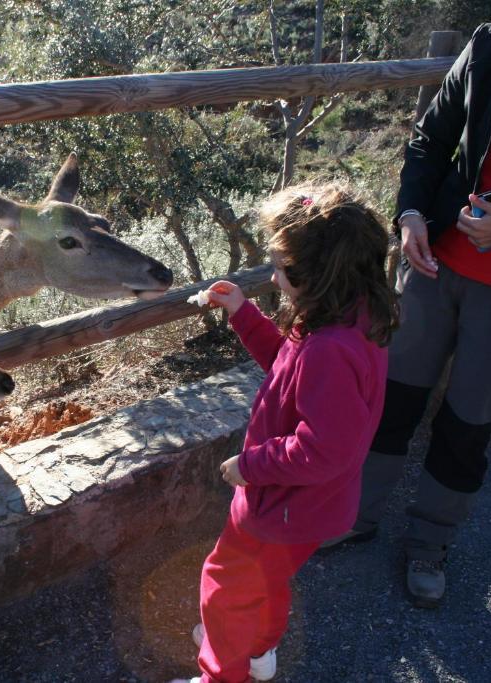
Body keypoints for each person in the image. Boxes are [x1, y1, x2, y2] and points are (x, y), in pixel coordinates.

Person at [323, 0, 491, 608]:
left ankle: (430, 543)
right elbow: (430, 139)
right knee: (390, 399)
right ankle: (355, 514)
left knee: (467, 423)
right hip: (433, 264)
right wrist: (412, 214)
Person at [173, 183, 400, 683]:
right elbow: (288, 370)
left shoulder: (328, 348)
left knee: (225, 586)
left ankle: (220, 673)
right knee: (267, 581)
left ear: (316, 275)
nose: (272, 278)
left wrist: (250, 466)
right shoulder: (348, 318)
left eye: (280, 268)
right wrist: (242, 313)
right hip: (310, 506)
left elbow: (325, 446)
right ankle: (258, 652)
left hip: (280, 503)